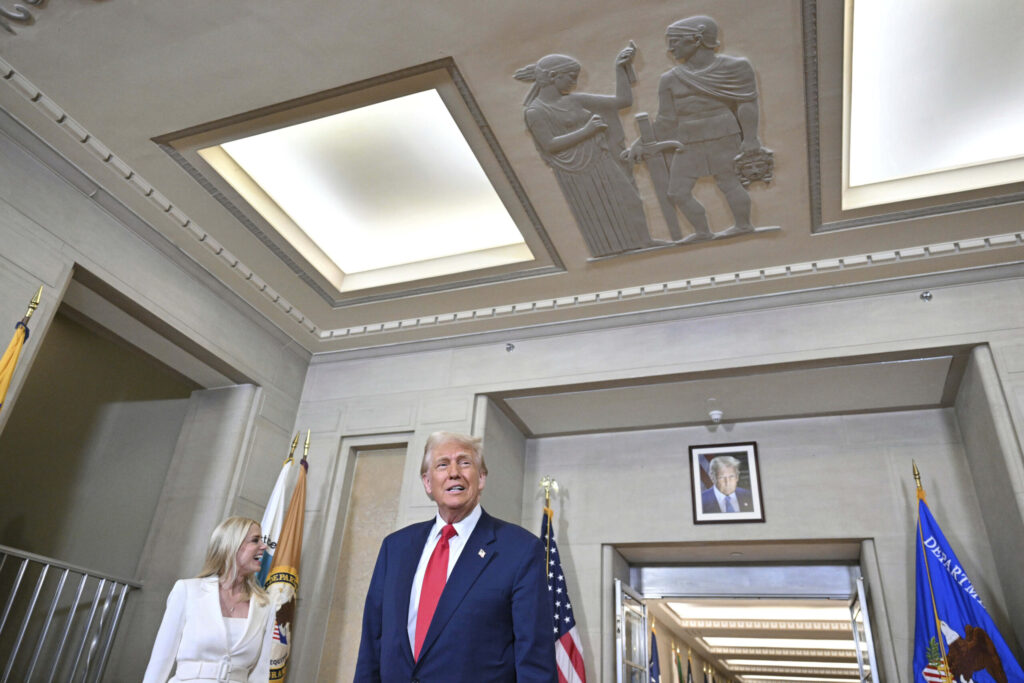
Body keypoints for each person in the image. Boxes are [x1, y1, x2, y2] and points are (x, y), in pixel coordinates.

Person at [355, 431, 556, 682]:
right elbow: (372, 644)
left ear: (481, 478)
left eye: (464, 462)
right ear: (428, 482)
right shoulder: (395, 547)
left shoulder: (520, 549)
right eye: (442, 464)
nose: (454, 472)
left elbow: (535, 660)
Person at [628, 15, 764, 242]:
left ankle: (743, 225)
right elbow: (666, 119)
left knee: (729, 183)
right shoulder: (669, 79)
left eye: (675, 41)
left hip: (723, 132)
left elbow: (746, 103)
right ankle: (702, 232)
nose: (670, 49)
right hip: (688, 138)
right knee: (677, 192)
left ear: (697, 39)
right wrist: (641, 141)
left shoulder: (736, 67)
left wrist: (750, 138)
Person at [515, 48, 662, 258]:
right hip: (574, 171)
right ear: (553, 76)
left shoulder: (574, 100)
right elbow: (550, 145)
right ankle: (613, 250)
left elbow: (622, 101)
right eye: (571, 77)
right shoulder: (535, 111)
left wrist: (620, 68)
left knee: (630, 199)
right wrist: (587, 130)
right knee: (597, 211)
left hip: (599, 159)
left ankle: (644, 240)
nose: (574, 82)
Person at [143, 516, 276, 683]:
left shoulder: (265, 605)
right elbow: (160, 661)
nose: (264, 546)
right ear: (232, 544)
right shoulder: (187, 590)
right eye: (255, 540)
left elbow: (261, 672)